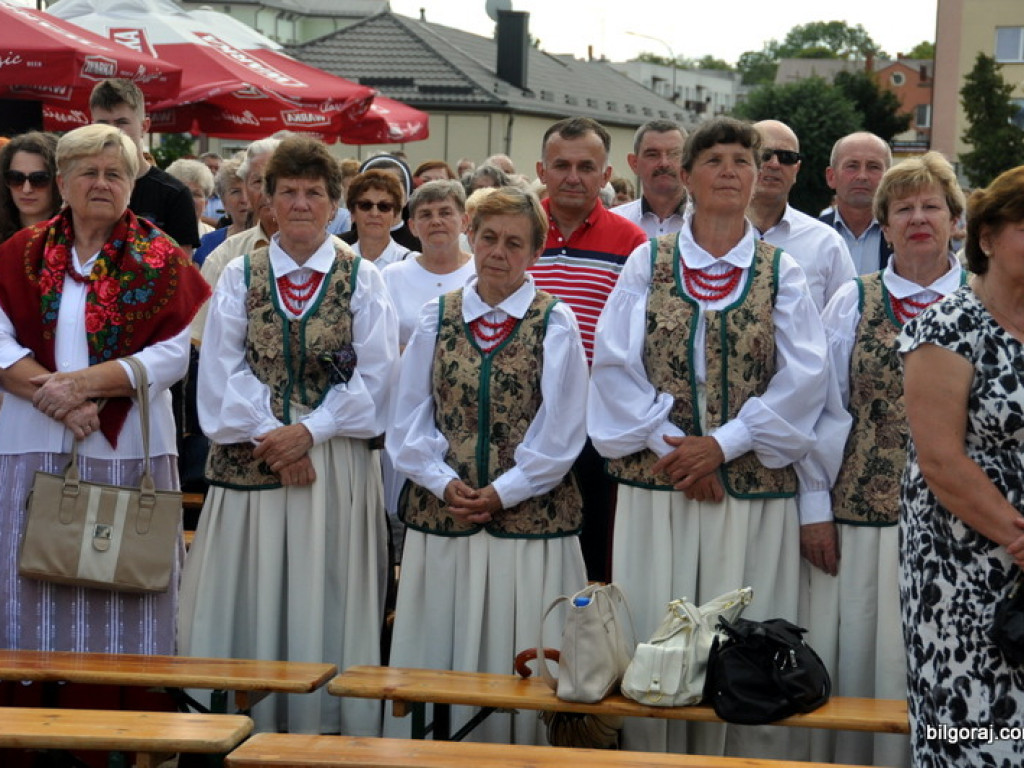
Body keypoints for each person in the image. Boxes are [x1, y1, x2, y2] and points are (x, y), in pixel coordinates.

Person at [588, 117, 828, 758]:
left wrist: (722, 445)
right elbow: (615, 366)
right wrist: (678, 449)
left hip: (750, 492)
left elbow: (805, 379)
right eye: (714, 159)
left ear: (757, 177)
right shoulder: (648, 259)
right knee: (658, 641)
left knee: (741, 645)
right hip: (659, 484)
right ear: (687, 175)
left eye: (742, 160)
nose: (729, 169)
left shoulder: (784, 271)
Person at [178, 136, 398, 735]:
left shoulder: (365, 278)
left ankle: (321, 732)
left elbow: (378, 380)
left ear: (335, 206)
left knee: (324, 595)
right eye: (288, 192)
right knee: (249, 596)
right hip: (252, 462)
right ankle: (232, 731)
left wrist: (310, 431)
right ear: (268, 201)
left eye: (314, 193)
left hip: (334, 468)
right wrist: (276, 436)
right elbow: (220, 373)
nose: (301, 204)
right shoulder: (236, 273)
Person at [386, 186, 588, 744]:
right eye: (490, 237)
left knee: (518, 648)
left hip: (530, 525)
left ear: (535, 253)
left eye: (515, 242)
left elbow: (564, 430)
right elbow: (407, 417)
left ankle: (516, 751)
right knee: (442, 654)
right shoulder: (437, 315)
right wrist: (442, 480)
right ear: (470, 237)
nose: (500, 251)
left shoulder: (556, 322)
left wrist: (506, 490)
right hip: (444, 518)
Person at [0, 123, 209, 653]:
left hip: (130, 452)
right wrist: (65, 404)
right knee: (32, 585)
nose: (101, 183)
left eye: (114, 173)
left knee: (125, 588)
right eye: (87, 172)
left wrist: (79, 388)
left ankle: (130, 720)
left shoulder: (162, 259)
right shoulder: (19, 252)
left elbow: (171, 355)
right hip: (32, 444)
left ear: (132, 185)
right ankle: (32, 721)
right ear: (63, 184)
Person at [804, 152, 968, 767]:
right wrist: (814, 507)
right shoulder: (852, 301)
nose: (919, 218)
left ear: (957, 222)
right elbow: (823, 411)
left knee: (946, 658)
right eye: (904, 208)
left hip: (959, 529)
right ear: (885, 225)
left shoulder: (983, 304)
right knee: (861, 658)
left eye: (932, 207)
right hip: (862, 523)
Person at [897, 164, 1024, 766]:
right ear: (988, 238)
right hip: (964, 568)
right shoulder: (946, 327)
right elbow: (940, 460)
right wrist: (1019, 538)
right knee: (971, 732)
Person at [531, 116, 647, 582]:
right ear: (541, 170)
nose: (573, 177)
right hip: (525, 417)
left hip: (596, 425)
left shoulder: (632, 243)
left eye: (586, 166)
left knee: (592, 550)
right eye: (561, 165)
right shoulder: (517, 231)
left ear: (606, 174)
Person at [379, 179, 476, 557]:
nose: (436, 221)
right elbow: (379, 344)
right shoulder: (391, 277)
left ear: (464, 221)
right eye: (426, 215)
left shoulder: (479, 276)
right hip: (404, 409)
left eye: (445, 212)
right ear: (413, 225)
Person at [749, 120, 855, 312]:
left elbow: (846, 324)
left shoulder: (827, 243)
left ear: (796, 170)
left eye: (786, 157)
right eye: (764, 155)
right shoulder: (712, 237)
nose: (774, 164)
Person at [89, 79, 200, 256]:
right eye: (103, 123)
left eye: (121, 122)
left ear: (144, 126)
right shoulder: (84, 187)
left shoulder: (174, 194)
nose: (111, 132)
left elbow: (183, 273)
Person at [191, 137, 281, 344]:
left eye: (275, 180)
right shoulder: (223, 257)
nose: (267, 191)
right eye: (258, 182)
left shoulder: (335, 255)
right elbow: (205, 342)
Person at [820, 132, 893, 274]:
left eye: (873, 167)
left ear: (888, 178)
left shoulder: (904, 236)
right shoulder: (810, 236)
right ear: (831, 176)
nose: (862, 176)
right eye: (852, 166)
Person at [610, 119, 688, 237]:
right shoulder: (613, 223)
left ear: (688, 162)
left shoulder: (710, 224)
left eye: (673, 154)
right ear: (634, 163)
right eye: (652, 154)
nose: (664, 163)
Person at [0, 131, 61, 243]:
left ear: (60, 181)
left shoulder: (78, 238)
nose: (26, 189)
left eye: (39, 179)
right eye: (16, 178)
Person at [346, 170, 411, 269]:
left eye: (384, 206)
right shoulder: (336, 262)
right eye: (365, 205)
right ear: (352, 212)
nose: (374, 213)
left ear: (395, 214)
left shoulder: (410, 262)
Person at [193, 154, 250, 267]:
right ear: (223, 202)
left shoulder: (277, 241)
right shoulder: (208, 242)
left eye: (249, 190)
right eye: (235, 192)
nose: (244, 199)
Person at [165, 158, 216, 237]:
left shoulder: (216, 239)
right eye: (182, 193)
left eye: (196, 194)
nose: (189, 200)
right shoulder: (152, 238)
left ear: (206, 203)